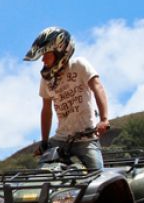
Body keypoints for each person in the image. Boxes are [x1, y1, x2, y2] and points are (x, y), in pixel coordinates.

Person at [24, 26, 111, 170]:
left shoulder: (79, 65)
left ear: (60, 52)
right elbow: (46, 110)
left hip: (86, 139)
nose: (43, 60)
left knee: (98, 177)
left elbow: (97, 87)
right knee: (42, 174)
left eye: (46, 55)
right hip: (60, 139)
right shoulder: (46, 80)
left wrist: (104, 119)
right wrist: (45, 141)